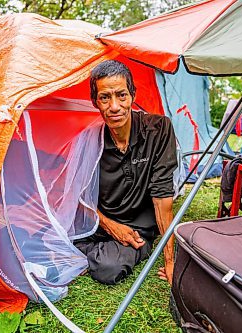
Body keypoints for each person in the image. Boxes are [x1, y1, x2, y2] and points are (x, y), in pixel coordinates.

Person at [74, 60, 178, 285]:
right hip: (99, 222)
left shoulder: (158, 129)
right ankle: (89, 248)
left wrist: (170, 262)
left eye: (121, 95)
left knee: (109, 269)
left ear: (132, 95)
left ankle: (90, 253)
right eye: (105, 98)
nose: (114, 106)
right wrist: (110, 226)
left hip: (137, 227)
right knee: (46, 237)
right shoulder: (89, 139)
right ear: (95, 102)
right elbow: (78, 196)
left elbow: (162, 199)